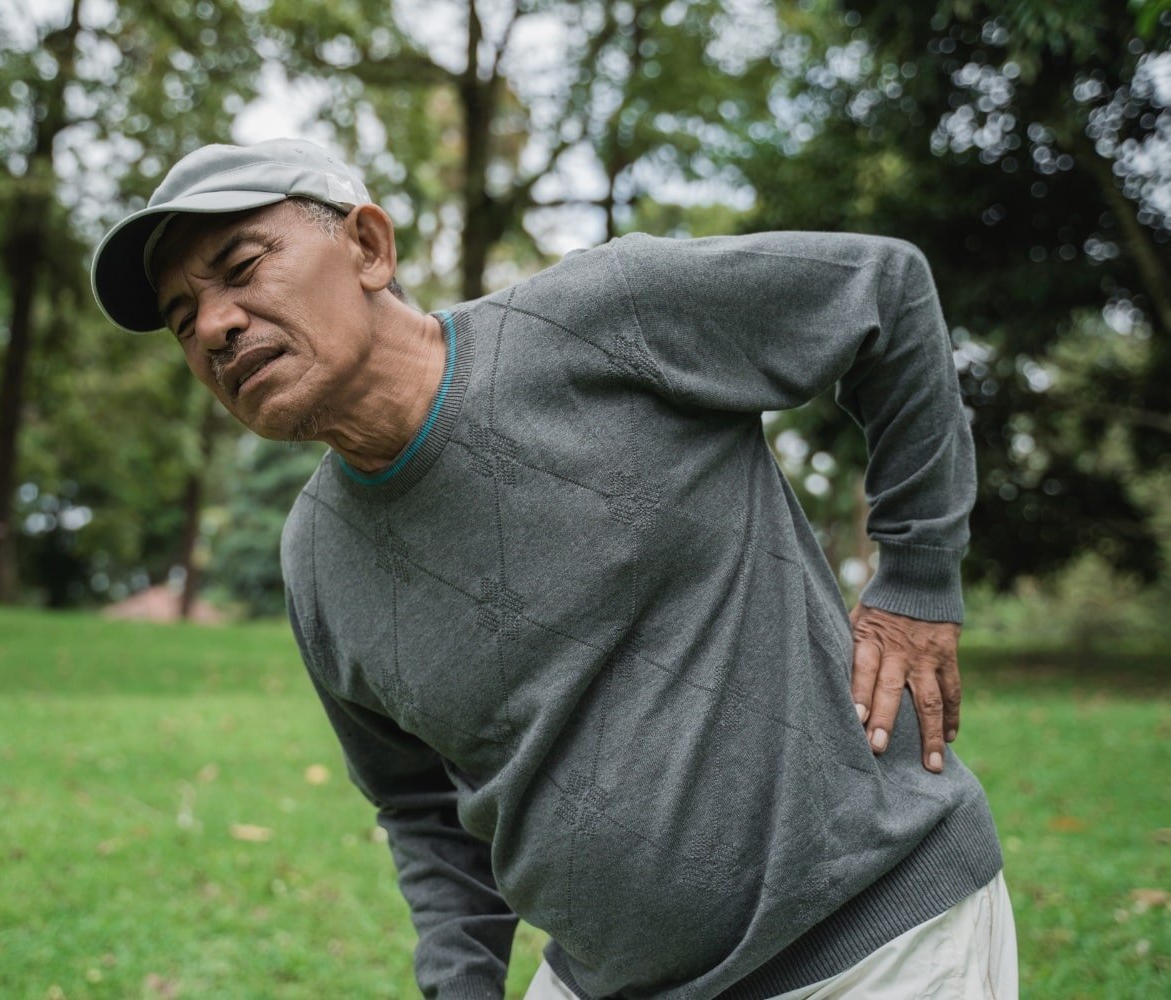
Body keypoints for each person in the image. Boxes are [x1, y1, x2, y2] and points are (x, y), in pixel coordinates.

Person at [91, 137, 1017, 1000]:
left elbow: (884, 291)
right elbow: (419, 803)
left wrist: (915, 583)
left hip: (882, 942)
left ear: (367, 247)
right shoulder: (314, 557)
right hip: (601, 980)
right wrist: (461, 983)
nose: (214, 326)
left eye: (242, 268)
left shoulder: (605, 315)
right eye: (181, 319)